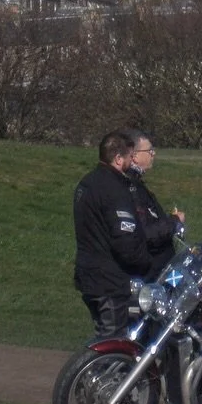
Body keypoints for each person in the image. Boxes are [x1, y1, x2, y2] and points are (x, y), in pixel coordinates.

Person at [72, 130, 151, 336]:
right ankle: (101, 367)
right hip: (109, 282)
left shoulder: (86, 183)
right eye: (128, 157)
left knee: (102, 336)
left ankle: (90, 366)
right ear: (118, 159)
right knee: (113, 342)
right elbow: (124, 241)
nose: (131, 162)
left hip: (88, 276)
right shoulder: (114, 189)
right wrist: (144, 263)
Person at [121, 128, 185, 278]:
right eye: (149, 151)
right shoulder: (131, 188)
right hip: (151, 277)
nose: (153, 154)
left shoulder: (137, 184)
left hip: (159, 270)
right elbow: (145, 233)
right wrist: (174, 222)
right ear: (134, 156)